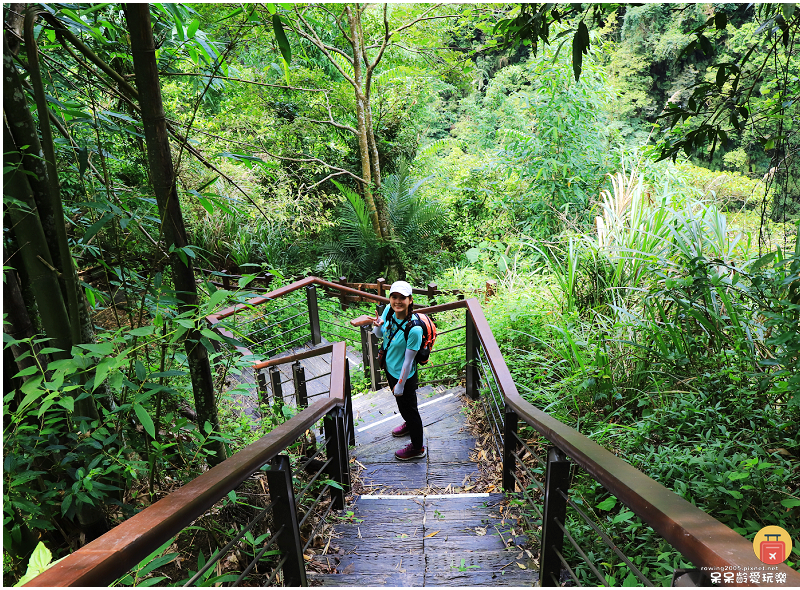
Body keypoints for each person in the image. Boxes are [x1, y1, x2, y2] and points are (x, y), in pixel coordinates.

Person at [372, 280, 426, 460]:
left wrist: (401, 384)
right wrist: (377, 325)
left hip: (404, 375)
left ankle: (418, 448)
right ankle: (408, 424)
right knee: (404, 407)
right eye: (394, 297)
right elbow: (380, 336)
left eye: (402, 298)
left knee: (410, 410)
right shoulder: (389, 311)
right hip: (389, 367)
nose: (397, 301)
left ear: (410, 300)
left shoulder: (415, 329)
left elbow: (408, 361)